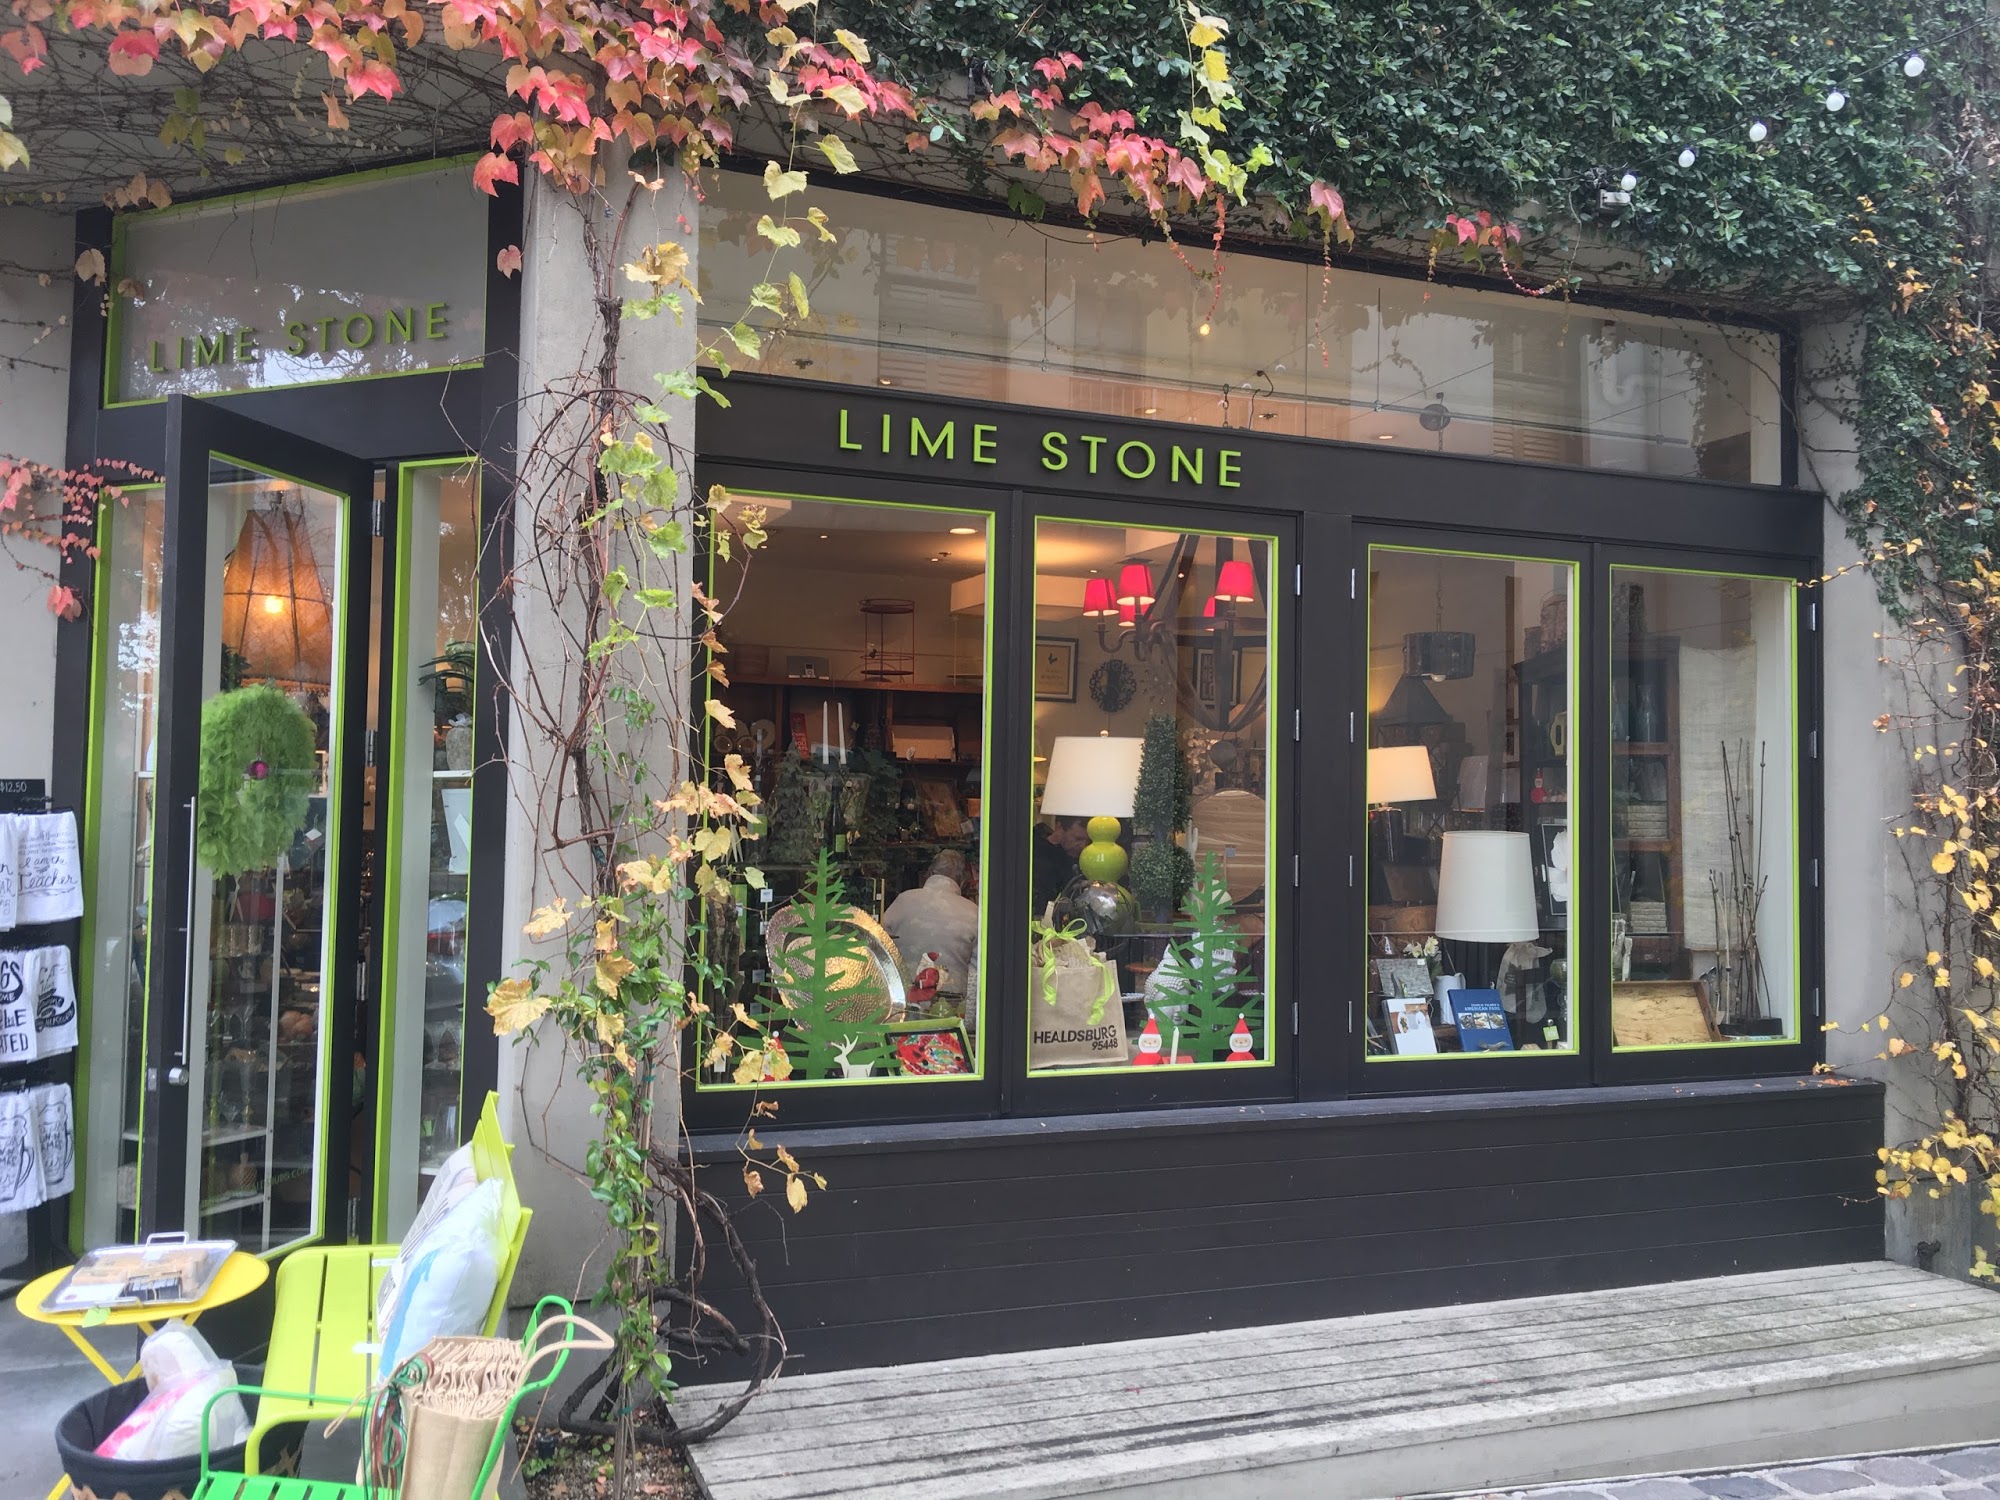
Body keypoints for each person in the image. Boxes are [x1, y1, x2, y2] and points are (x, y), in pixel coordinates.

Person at [882, 850, 980, 1004]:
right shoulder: (973, 912)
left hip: (901, 1003)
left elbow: (880, 947)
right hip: (951, 1008)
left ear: (930, 873)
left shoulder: (903, 901)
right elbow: (976, 973)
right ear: (961, 881)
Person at [1031, 815, 1089, 919]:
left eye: (1087, 841)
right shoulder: (1033, 850)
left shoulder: (1082, 859)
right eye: (1078, 838)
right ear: (1059, 827)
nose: (1083, 846)